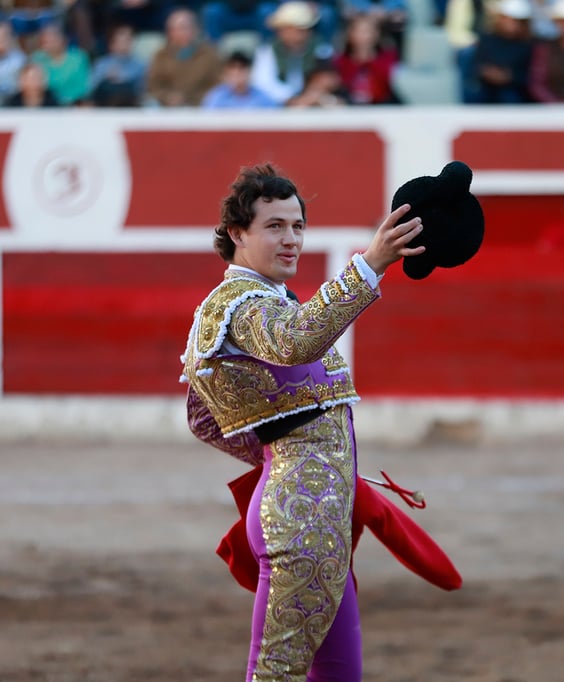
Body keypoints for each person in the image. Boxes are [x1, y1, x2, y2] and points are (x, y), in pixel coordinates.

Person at [180, 163, 426, 682]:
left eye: (297, 226)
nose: (291, 239)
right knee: (278, 673)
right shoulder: (239, 305)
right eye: (274, 226)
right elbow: (293, 342)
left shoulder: (264, 301)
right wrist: (371, 265)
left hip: (313, 508)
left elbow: (204, 418)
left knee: (337, 673)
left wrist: (292, 455)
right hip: (302, 517)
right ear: (236, 234)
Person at [251, 1, 335, 104]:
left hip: (314, 103)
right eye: (288, 29)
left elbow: (328, 79)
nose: (295, 33)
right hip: (279, 106)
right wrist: (290, 98)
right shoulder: (268, 51)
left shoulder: (322, 49)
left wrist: (310, 96)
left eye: (300, 29)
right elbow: (263, 83)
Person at [461, 0, 534, 103]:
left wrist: (509, 76)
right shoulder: (487, 39)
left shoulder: (529, 45)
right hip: (486, 87)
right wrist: (488, 72)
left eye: (516, 20)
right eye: (508, 19)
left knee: (509, 97)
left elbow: (531, 75)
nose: (511, 24)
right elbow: (477, 65)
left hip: (515, 90)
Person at [145, 7, 222, 107]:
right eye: (173, 29)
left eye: (183, 27)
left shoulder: (209, 55)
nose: (178, 32)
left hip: (200, 106)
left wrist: (191, 98)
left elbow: (217, 85)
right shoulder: (161, 56)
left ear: (195, 29)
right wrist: (167, 97)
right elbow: (153, 86)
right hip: (166, 106)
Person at [334, 12, 400, 104]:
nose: (363, 36)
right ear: (350, 34)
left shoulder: (389, 59)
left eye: (367, 31)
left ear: (376, 34)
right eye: (359, 31)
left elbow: (389, 85)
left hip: (382, 108)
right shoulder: (340, 62)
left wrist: (369, 60)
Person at [31, 22, 92, 105]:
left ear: (63, 39)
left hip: (75, 105)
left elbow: (84, 86)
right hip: (46, 106)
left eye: (53, 39)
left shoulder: (78, 58)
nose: (50, 44)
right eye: (46, 41)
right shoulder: (37, 58)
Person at [91, 22, 147, 107]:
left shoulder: (140, 65)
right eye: (121, 41)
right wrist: (106, 77)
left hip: (130, 105)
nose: (124, 44)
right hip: (105, 105)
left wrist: (122, 79)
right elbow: (92, 88)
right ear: (111, 44)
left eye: (128, 40)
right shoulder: (101, 64)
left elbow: (142, 89)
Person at [202, 49, 279, 108]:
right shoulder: (216, 97)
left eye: (241, 68)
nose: (236, 72)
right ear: (226, 72)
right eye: (232, 67)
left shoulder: (263, 98)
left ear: (249, 71)